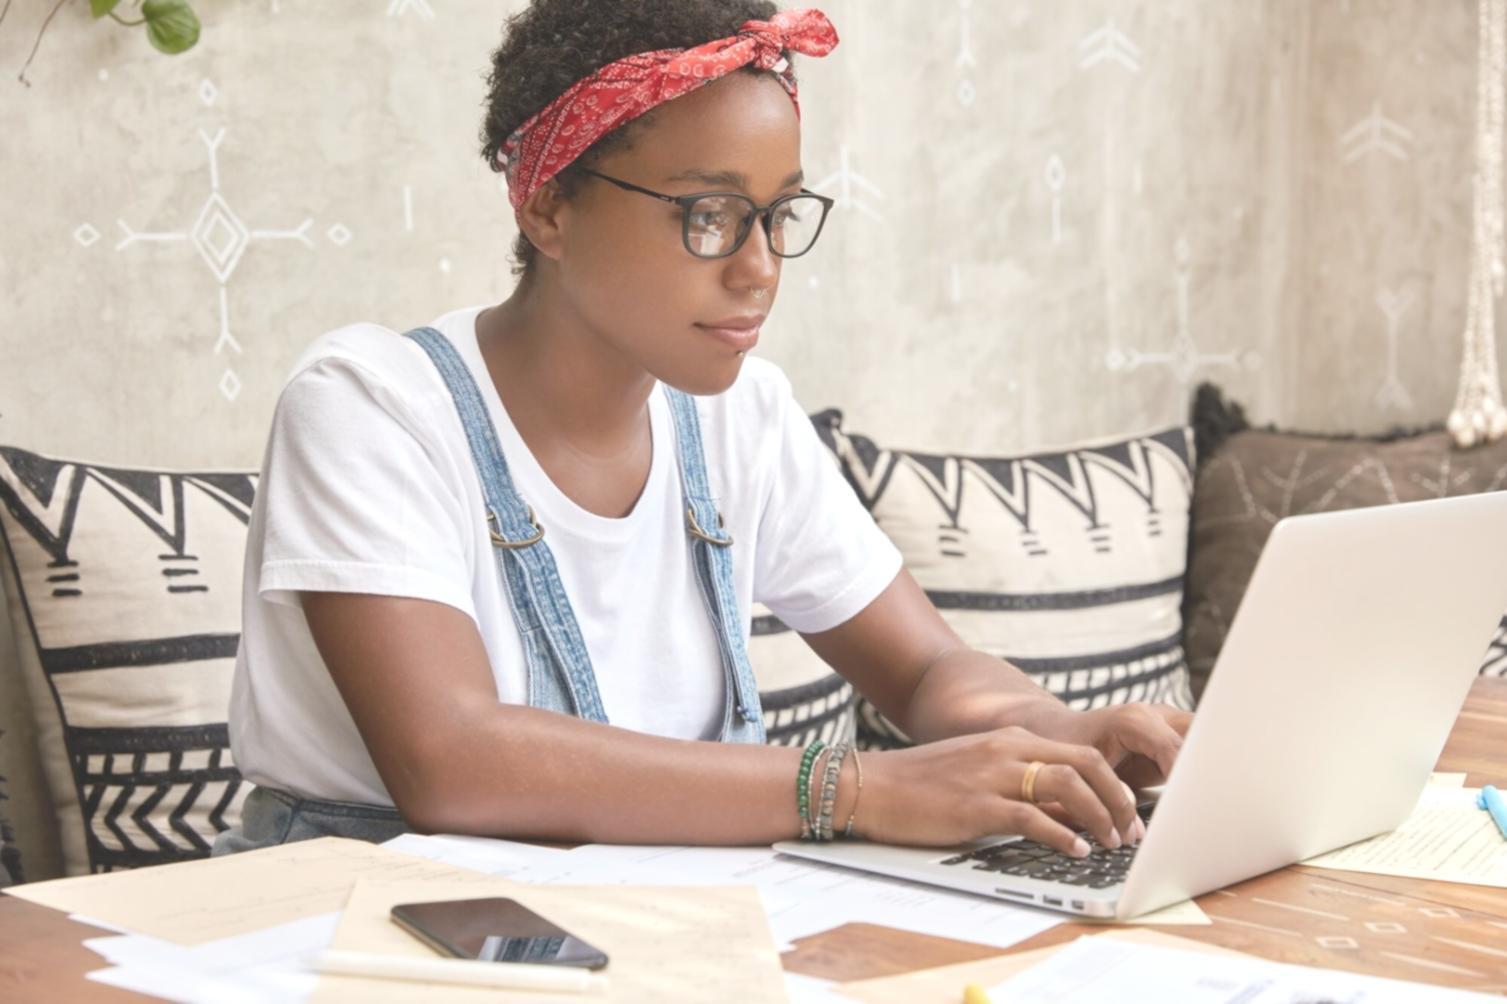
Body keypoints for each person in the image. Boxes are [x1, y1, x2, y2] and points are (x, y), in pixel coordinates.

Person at [216, 0, 1191, 860]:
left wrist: (1051, 732)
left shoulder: (739, 414)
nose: (759, 266)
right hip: (365, 914)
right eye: (709, 215)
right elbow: (453, 759)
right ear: (549, 206)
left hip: (651, 905)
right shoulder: (371, 404)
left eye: (777, 214)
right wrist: (858, 788)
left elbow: (925, 665)